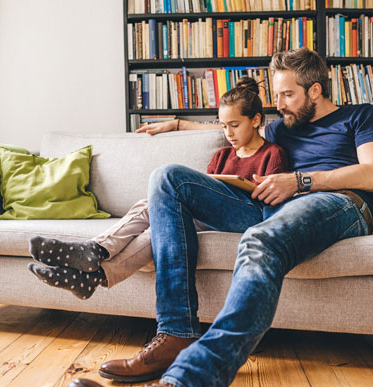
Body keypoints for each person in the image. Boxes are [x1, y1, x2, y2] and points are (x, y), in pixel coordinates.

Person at [66, 48, 373, 387]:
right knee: (168, 178)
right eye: (276, 95)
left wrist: (299, 181)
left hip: (337, 204)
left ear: (315, 91)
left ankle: (186, 384)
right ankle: (176, 332)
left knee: (260, 242)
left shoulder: (359, 117)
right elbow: (232, 124)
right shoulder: (282, 127)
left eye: (287, 95)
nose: (279, 104)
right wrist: (175, 124)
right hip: (269, 206)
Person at [27, 77, 289, 300]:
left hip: (247, 217)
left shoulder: (272, 154)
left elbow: (271, 205)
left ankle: (95, 253)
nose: (228, 133)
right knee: (156, 214)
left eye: (234, 125)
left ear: (255, 120)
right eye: (223, 126)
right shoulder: (222, 155)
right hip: (208, 217)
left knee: (161, 202)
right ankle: (95, 270)